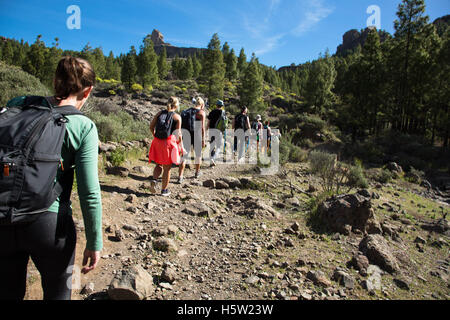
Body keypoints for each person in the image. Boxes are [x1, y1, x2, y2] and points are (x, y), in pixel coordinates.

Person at [0, 56, 103, 300]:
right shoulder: (83, 126)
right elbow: (89, 192)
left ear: (54, 81)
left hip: (3, 216)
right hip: (49, 223)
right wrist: (94, 241)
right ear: (87, 91)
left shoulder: (18, 104)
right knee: (58, 293)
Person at [148, 97, 183, 196]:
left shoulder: (159, 113)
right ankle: (164, 190)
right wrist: (180, 145)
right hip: (168, 143)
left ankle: (154, 180)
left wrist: (155, 136)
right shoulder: (177, 117)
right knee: (167, 168)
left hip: (157, 141)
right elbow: (178, 134)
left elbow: (151, 127)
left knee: (158, 164)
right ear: (176, 105)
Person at [178, 96, 206, 182]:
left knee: (184, 155)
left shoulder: (186, 111)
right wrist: (203, 140)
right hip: (197, 135)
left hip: (186, 134)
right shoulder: (201, 113)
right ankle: (197, 172)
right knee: (198, 155)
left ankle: (180, 176)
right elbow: (202, 128)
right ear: (201, 104)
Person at [207, 100, 227, 167]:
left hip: (211, 130)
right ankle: (213, 158)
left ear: (216, 105)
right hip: (219, 131)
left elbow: (208, 122)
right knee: (218, 146)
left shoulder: (212, 112)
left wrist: (206, 129)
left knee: (212, 145)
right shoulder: (223, 112)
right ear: (222, 106)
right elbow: (224, 123)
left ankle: (211, 161)